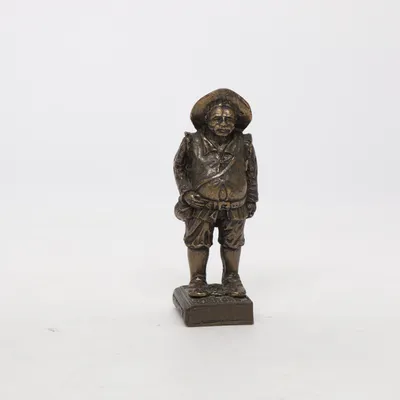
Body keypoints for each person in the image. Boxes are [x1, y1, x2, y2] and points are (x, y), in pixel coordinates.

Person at [173, 88, 258, 298]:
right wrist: (186, 192)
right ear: (207, 120)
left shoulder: (244, 143)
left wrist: (251, 199)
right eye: (217, 119)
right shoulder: (192, 141)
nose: (223, 124)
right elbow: (179, 167)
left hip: (235, 205)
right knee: (197, 242)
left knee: (233, 242)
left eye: (228, 119)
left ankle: (232, 277)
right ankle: (197, 279)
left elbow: (252, 172)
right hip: (201, 205)